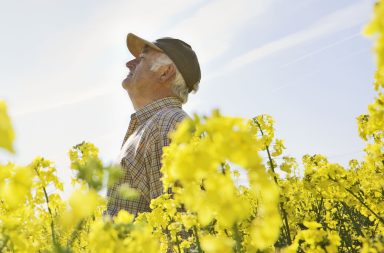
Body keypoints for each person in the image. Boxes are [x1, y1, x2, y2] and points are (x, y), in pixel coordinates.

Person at [105, 33, 201, 217]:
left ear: (165, 72)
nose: (129, 64)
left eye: (141, 59)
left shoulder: (168, 125)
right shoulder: (155, 125)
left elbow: (178, 227)